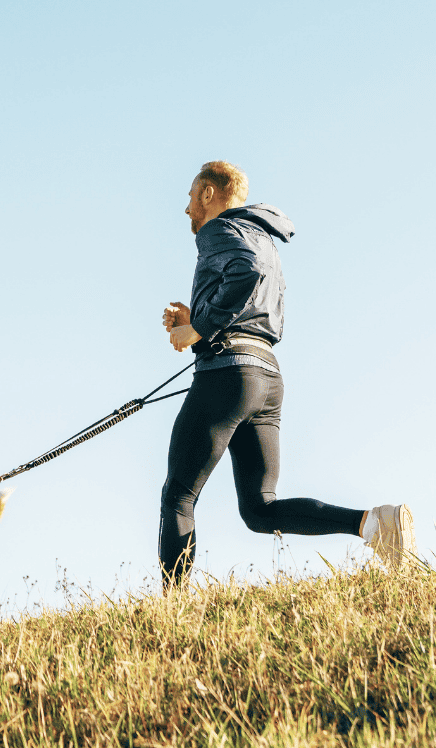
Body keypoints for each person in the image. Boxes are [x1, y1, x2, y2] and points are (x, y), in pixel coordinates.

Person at [158, 161, 415, 588]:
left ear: (208, 193)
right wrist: (197, 320)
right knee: (260, 510)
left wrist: (199, 327)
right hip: (266, 378)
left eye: (190, 196)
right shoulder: (259, 235)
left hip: (228, 375)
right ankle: (374, 524)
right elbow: (254, 303)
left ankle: (171, 610)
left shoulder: (219, 229)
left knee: (178, 496)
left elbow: (245, 274)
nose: (186, 209)